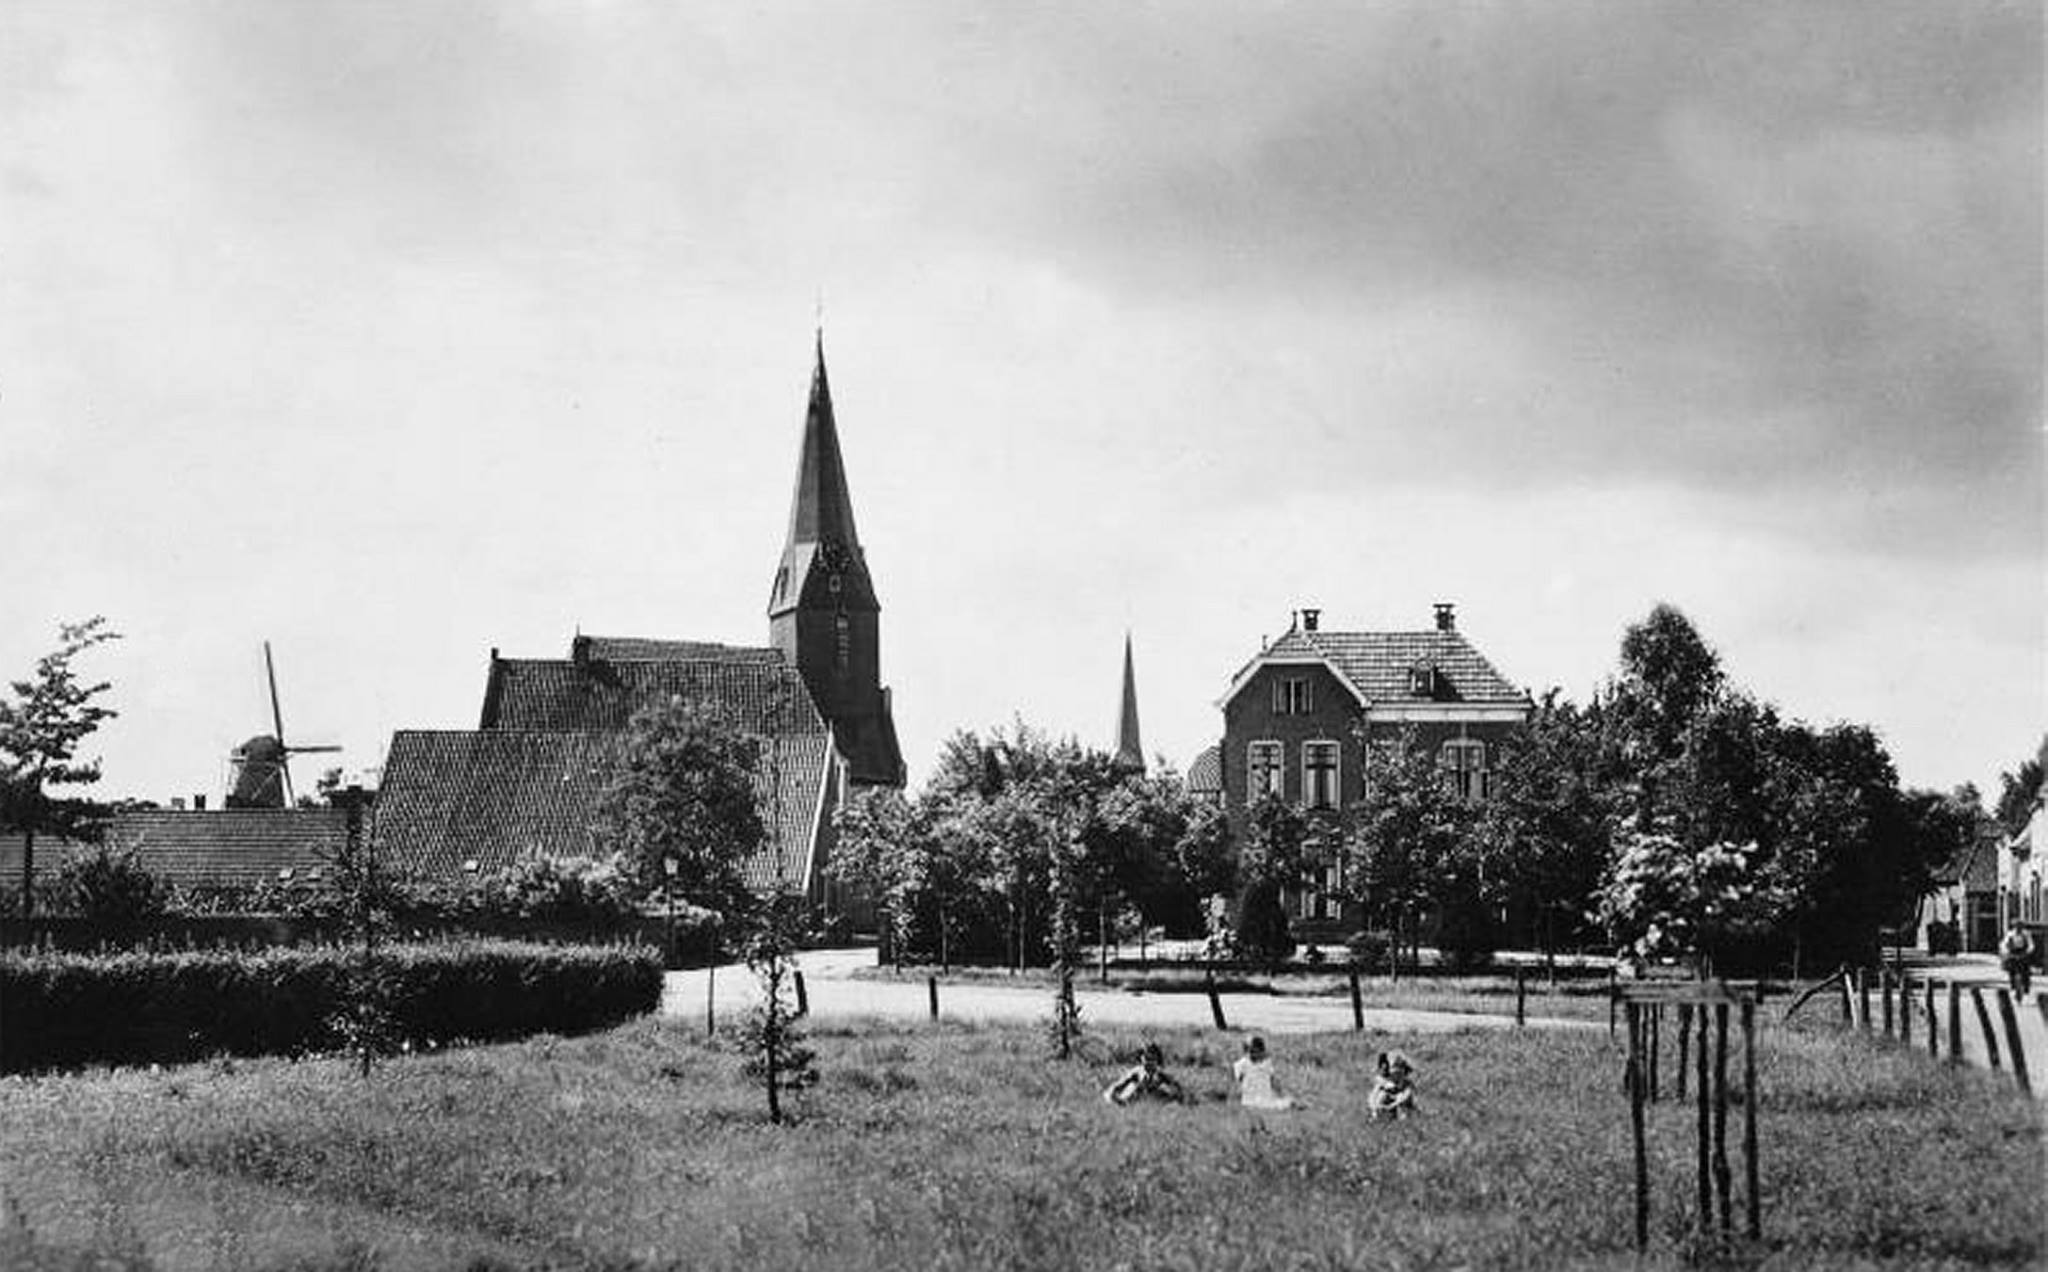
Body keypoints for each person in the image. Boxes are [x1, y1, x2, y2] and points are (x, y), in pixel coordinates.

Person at [1103, 1042, 1186, 1106]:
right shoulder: (1135, 1073)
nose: (1149, 1062)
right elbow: (1118, 1085)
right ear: (1142, 1059)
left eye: (1152, 1059)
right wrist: (1112, 1096)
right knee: (1137, 1087)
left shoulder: (1160, 1075)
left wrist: (1179, 1097)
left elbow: (1177, 1086)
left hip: (1151, 1101)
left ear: (1157, 1061)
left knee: (1160, 1092)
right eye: (1147, 1059)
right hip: (1130, 1099)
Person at [1231, 1035, 1300, 1110]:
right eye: (1251, 1051)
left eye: (1257, 1052)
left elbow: (1273, 1081)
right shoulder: (1242, 1064)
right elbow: (1237, 1083)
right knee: (1286, 1104)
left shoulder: (1267, 1064)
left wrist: (1280, 1093)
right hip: (1252, 1099)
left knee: (1288, 1101)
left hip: (1266, 1097)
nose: (1254, 1054)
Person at [1366, 1050, 1417, 1121]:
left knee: (1400, 1101)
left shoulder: (1407, 1083)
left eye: (1400, 1070)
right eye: (1394, 1071)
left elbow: (1405, 1097)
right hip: (1386, 1108)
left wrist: (1391, 1106)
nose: (1397, 1074)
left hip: (1400, 1107)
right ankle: (1377, 1117)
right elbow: (1373, 1095)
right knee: (1382, 1095)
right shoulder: (1384, 1083)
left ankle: (1400, 1119)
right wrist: (1375, 1106)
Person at [2000, 922, 2035, 997]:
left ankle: (2026, 987)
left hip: (2023, 952)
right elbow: (2004, 944)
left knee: (2026, 970)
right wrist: (2006, 952)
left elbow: (2030, 944)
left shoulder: (2026, 934)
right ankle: (2012, 985)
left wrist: (2028, 951)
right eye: (2017, 927)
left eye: (2020, 927)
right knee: (2010, 969)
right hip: (2013, 952)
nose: (2018, 929)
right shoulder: (2010, 934)